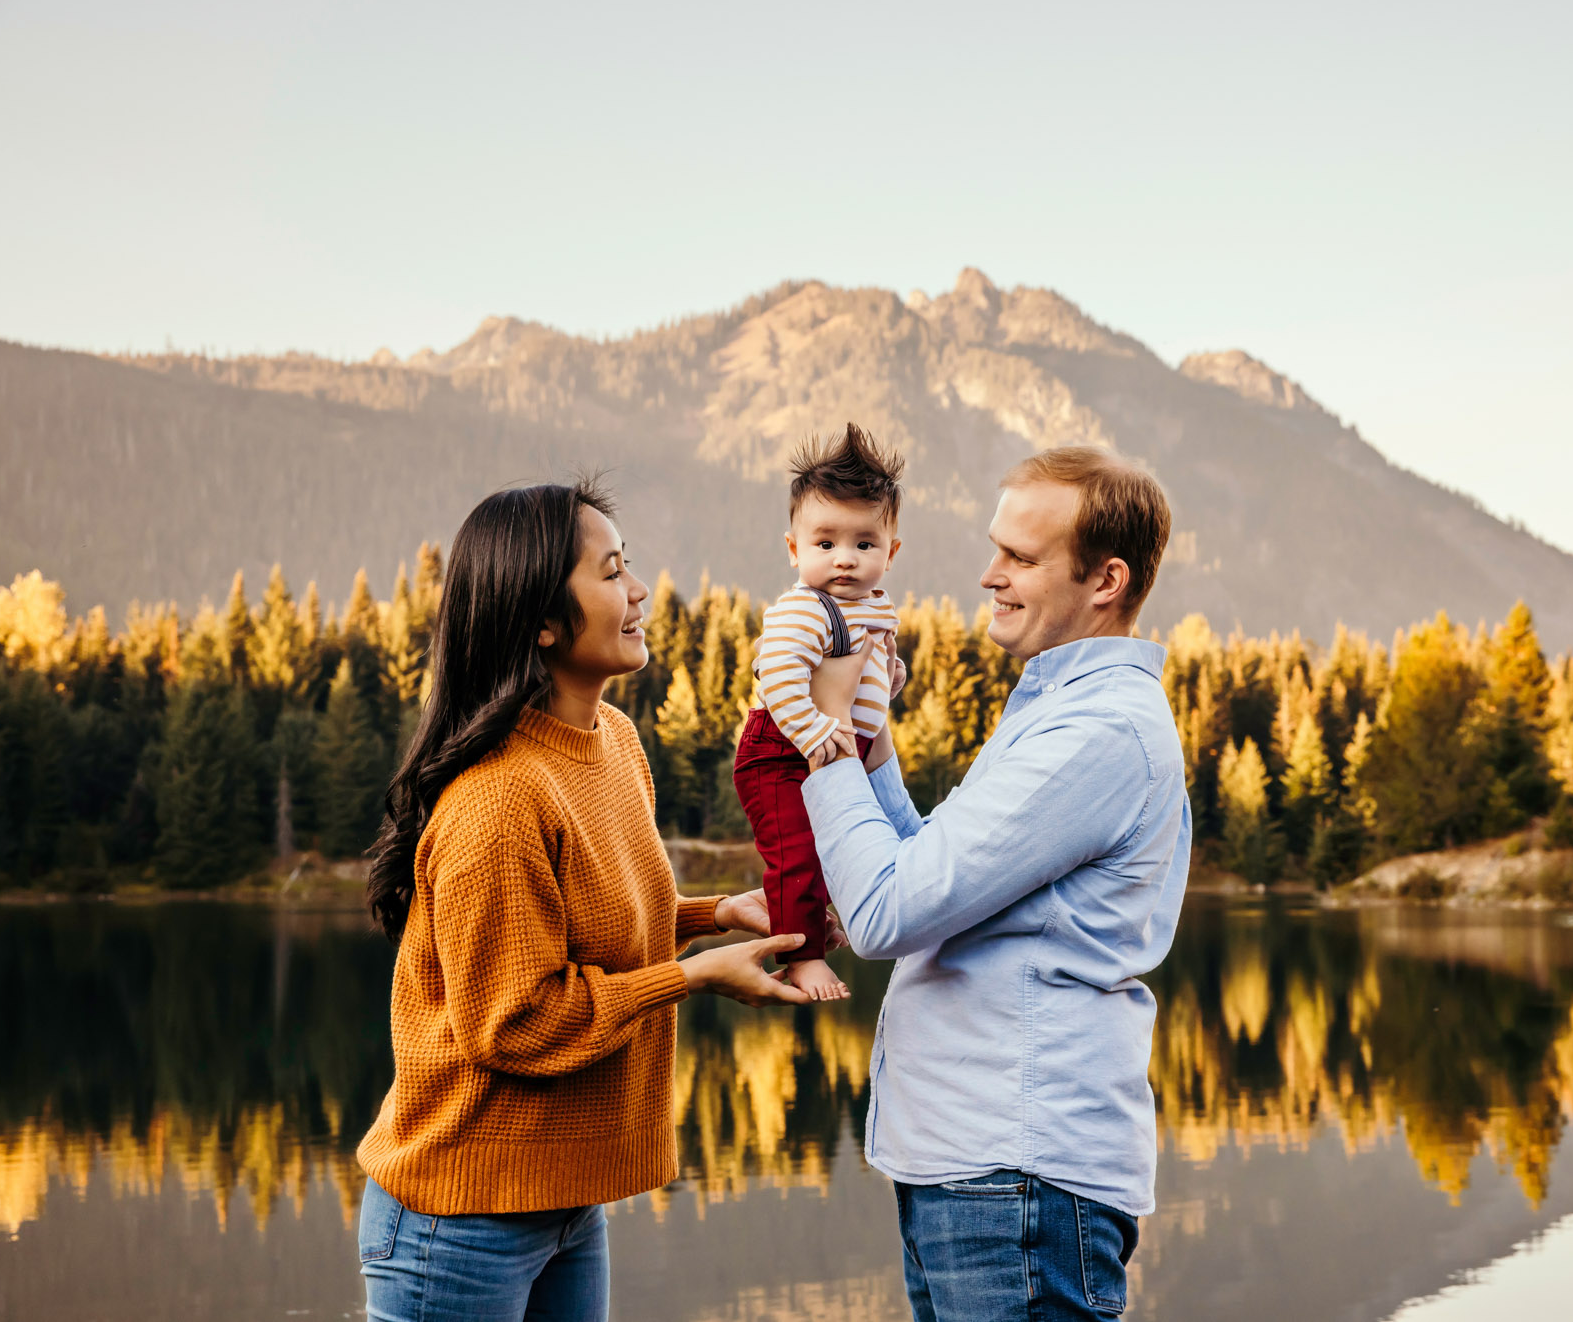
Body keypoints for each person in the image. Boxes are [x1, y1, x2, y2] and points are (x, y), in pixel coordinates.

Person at [353, 478, 824, 1322]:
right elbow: (516, 1020)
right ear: (541, 621)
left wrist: (716, 915)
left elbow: (593, 920)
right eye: (610, 574)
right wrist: (696, 977)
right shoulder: (498, 802)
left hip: (565, 1204)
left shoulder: (613, 743)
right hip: (460, 1221)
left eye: (628, 566)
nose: (639, 591)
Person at [804, 446, 1191, 1322]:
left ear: (1107, 580)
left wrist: (823, 732)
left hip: (1017, 1184)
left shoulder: (1097, 732)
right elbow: (927, 870)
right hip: (973, 1172)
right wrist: (867, 742)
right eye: (996, 551)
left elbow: (885, 910)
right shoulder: (1058, 710)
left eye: (1021, 557)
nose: (990, 575)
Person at [734, 423, 910, 1002]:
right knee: (797, 856)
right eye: (825, 543)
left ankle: (810, 925)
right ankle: (801, 957)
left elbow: (867, 667)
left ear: (891, 551)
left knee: (838, 851)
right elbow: (778, 675)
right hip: (782, 752)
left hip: (833, 749)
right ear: (794, 549)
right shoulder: (804, 611)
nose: (845, 560)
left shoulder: (872, 608)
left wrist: (889, 679)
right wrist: (813, 729)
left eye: (865, 544)